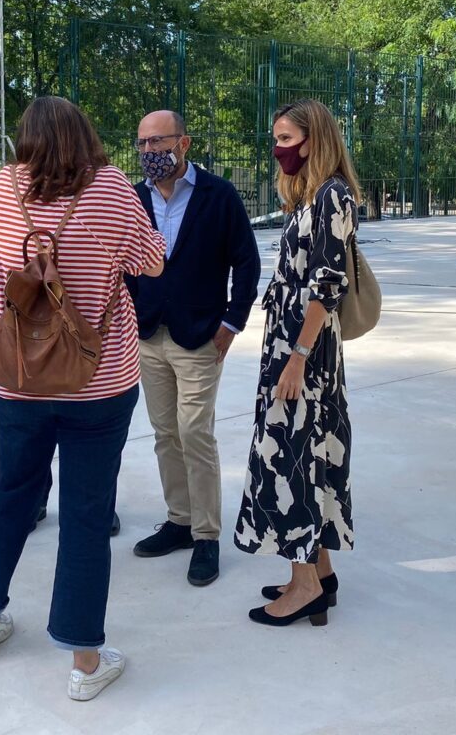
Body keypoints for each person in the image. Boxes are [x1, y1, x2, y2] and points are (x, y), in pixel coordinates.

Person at [0, 96, 165, 701]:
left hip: (18, 377)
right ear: (84, 134)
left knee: (12, 491)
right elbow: (152, 262)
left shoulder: (1, 190)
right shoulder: (112, 188)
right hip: (98, 380)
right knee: (86, 511)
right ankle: (83, 660)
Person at [234, 98, 359, 628]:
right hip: (293, 344)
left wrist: (297, 360)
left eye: (286, 139)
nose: (277, 149)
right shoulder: (313, 194)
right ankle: (320, 574)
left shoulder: (332, 195)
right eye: (276, 139)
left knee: (293, 457)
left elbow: (327, 286)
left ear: (314, 140)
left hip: (304, 350)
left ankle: (305, 587)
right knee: (308, 452)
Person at [126, 111, 261, 587]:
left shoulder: (217, 195)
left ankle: (206, 535)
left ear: (182, 143)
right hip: (149, 335)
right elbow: (125, 263)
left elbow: (247, 262)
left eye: (157, 142)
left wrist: (231, 322)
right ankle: (179, 521)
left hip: (200, 336)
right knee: (165, 433)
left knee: (194, 432)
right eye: (142, 144)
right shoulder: (134, 197)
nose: (148, 152)